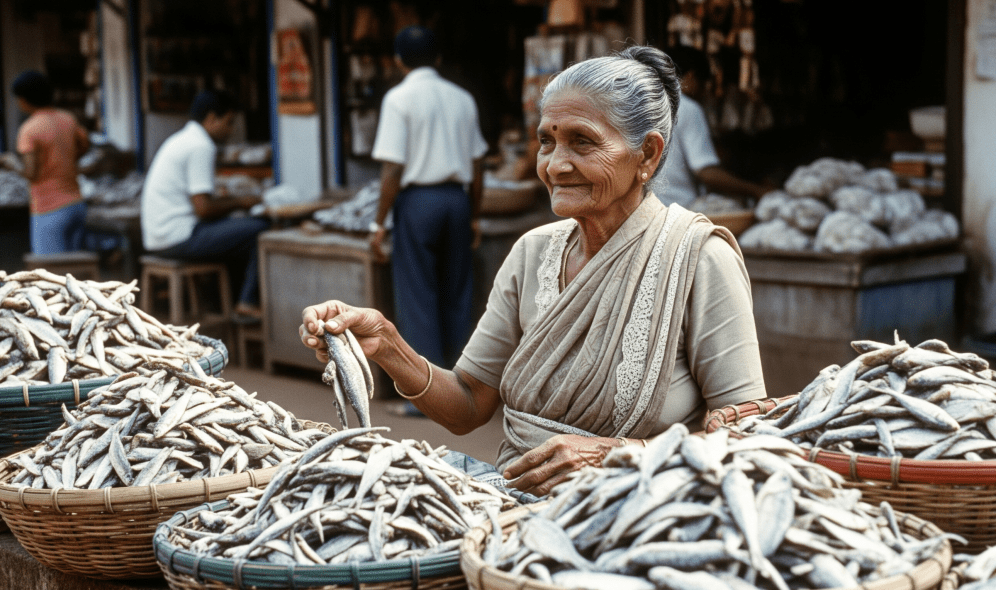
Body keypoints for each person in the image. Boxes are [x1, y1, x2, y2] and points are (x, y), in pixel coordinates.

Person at [300, 45, 766, 498]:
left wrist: (620, 456)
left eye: (582, 142)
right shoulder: (533, 253)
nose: (556, 165)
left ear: (646, 154)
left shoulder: (701, 259)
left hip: (644, 519)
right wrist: (386, 343)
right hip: (513, 508)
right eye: (547, 141)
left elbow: (748, 440)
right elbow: (467, 404)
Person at [368, 25, 488, 415]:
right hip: (456, 200)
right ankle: (464, 387)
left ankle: (423, 400)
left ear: (399, 61)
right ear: (438, 59)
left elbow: (392, 169)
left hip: (418, 202)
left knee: (418, 296)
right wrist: (475, 212)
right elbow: (477, 162)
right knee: (458, 293)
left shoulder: (398, 99)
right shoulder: (462, 98)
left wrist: (378, 223)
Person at [141, 89, 269, 319]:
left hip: (159, 236)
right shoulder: (201, 146)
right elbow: (204, 209)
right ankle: (247, 302)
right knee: (260, 228)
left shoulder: (182, 139)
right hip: (177, 237)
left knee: (239, 232)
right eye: (228, 123)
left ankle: (219, 302)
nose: (231, 131)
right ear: (211, 119)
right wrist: (242, 202)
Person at [658, 45, 772, 208]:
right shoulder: (687, 107)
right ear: (691, 77)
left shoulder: (641, 105)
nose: (704, 93)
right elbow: (706, 173)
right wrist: (757, 191)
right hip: (679, 213)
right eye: (704, 85)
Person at [12, 71, 91, 254]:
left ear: (24, 99)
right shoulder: (68, 119)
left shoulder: (29, 129)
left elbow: (32, 173)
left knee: (50, 274)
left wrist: (11, 164)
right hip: (76, 203)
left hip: (49, 208)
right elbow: (84, 145)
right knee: (75, 271)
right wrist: (67, 159)